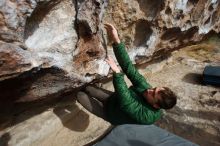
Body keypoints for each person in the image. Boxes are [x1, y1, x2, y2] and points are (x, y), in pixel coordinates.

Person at [77, 23, 177, 125]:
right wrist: (117, 41)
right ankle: (93, 89)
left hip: (110, 114)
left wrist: (117, 73)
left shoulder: (147, 117)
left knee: (80, 95)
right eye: (154, 88)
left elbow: (126, 102)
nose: (149, 90)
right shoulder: (146, 89)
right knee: (88, 88)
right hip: (113, 99)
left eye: (153, 94)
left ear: (156, 106)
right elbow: (129, 68)